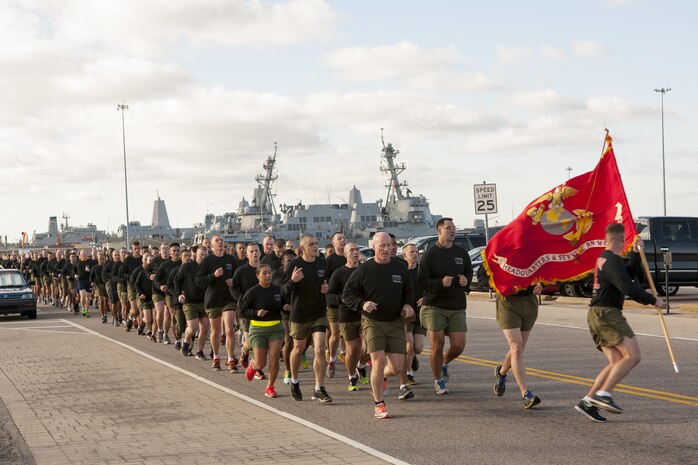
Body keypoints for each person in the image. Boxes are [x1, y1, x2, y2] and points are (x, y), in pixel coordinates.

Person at [575, 223, 663, 423]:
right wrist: (652, 300)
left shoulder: (606, 259)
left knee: (616, 361)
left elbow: (627, 275)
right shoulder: (611, 260)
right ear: (620, 239)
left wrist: (635, 254)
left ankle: (588, 401)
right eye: (625, 241)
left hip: (597, 313)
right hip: (607, 313)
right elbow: (627, 287)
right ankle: (604, 394)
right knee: (633, 356)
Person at [342, 232, 414, 419]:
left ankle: (380, 377)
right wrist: (362, 304)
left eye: (388, 245)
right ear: (373, 247)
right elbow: (347, 294)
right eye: (381, 246)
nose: (385, 249)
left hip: (395, 322)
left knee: (397, 368)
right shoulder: (364, 270)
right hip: (373, 322)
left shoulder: (400, 267)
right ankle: (379, 404)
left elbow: (409, 290)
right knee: (378, 361)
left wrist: (407, 305)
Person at [418, 217, 472, 395]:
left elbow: (469, 275)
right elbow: (422, 281)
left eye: (454, 228)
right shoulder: (430, 254)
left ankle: (444, 362)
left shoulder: (462, 253)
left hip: (456, 305)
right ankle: (438, 380)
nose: (453, 230)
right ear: (439, 231)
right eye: (448, 228)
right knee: (437, 343)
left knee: (459, 345)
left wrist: (466, 281)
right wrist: (440, 283)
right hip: (434, 305)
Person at [281, 233, 332, 403]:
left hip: (318, 312)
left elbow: (325, 283)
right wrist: (293, 281)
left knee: (319, 349)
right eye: (311, 244)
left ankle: (319, 388)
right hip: (299, 314)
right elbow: (284, 291)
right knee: (298, 349)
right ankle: (294, 380)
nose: (315, 247)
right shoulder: (295, 265)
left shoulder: (322, 262)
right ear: (302, 248)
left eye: (316, 243)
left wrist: (326, 288)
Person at [239, 264, 289, 398]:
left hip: (276, 329)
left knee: (274, 359)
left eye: (269, 273)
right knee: (261, 363)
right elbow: (242, 311)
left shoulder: (277, 290)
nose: (268, 276)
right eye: (264, 273)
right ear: (258, 276)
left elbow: (284, 305)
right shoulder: (252, 292)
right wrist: (256, 312)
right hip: (258, 329)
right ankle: (252, 366)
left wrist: (286, 307)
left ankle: (270, 387)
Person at [493, 283, 544, 409]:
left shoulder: (531, 261)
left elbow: (543, 269)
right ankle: (525, 394)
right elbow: (484, 276)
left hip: (529, 302)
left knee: (518, 349)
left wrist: (541, 284)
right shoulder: (496, 261)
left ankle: (501, 372)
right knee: (516, 347)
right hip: (507, 302)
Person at [327, 242, 366, 392]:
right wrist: (341, 300)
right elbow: (329, 296)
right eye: (351, 250)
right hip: (347, 314)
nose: (355, 252)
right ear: (345, 254)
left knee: (367, 347)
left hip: (364, 314)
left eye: (357, 249)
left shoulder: (365, 270)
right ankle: (351, 377)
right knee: (352, 348)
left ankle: (361, 367)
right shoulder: (339, 273)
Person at [195, 235, 238, 367]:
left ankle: (230, 358)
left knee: (230, 329)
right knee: (215, 330)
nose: (220, 242)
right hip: (213, 300)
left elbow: (237, 277)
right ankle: (216, 356)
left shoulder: (231, 259)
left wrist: (233, 282)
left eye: (221, 241)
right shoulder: (207, 261)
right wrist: (213, 276)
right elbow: (199, 281)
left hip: (228, 299)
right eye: (217, 241)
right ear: (212, 246)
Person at [399, 243, 425, 390]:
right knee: (409, 346)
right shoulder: (401, 271)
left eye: (416, 252)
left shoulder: (422, 270)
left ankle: (413, 357)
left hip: (421, 311)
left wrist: (426, 298)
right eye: (411, 252)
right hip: (406, 312)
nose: (415, 254)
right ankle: (409, 374)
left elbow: (430, 286)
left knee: (418, 347)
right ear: (404, 256)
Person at [175, 247, 210, 357]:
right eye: (201, 255)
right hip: (189, 302)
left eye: (205, 255)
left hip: (204, 302)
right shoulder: (187, 266)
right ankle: (185, 341)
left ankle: (200, 351)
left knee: (204, 327)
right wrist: (178, 294)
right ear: (195, 255)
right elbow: (177, 280)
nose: (203, 257)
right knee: (193, 327)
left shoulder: (209, 268)